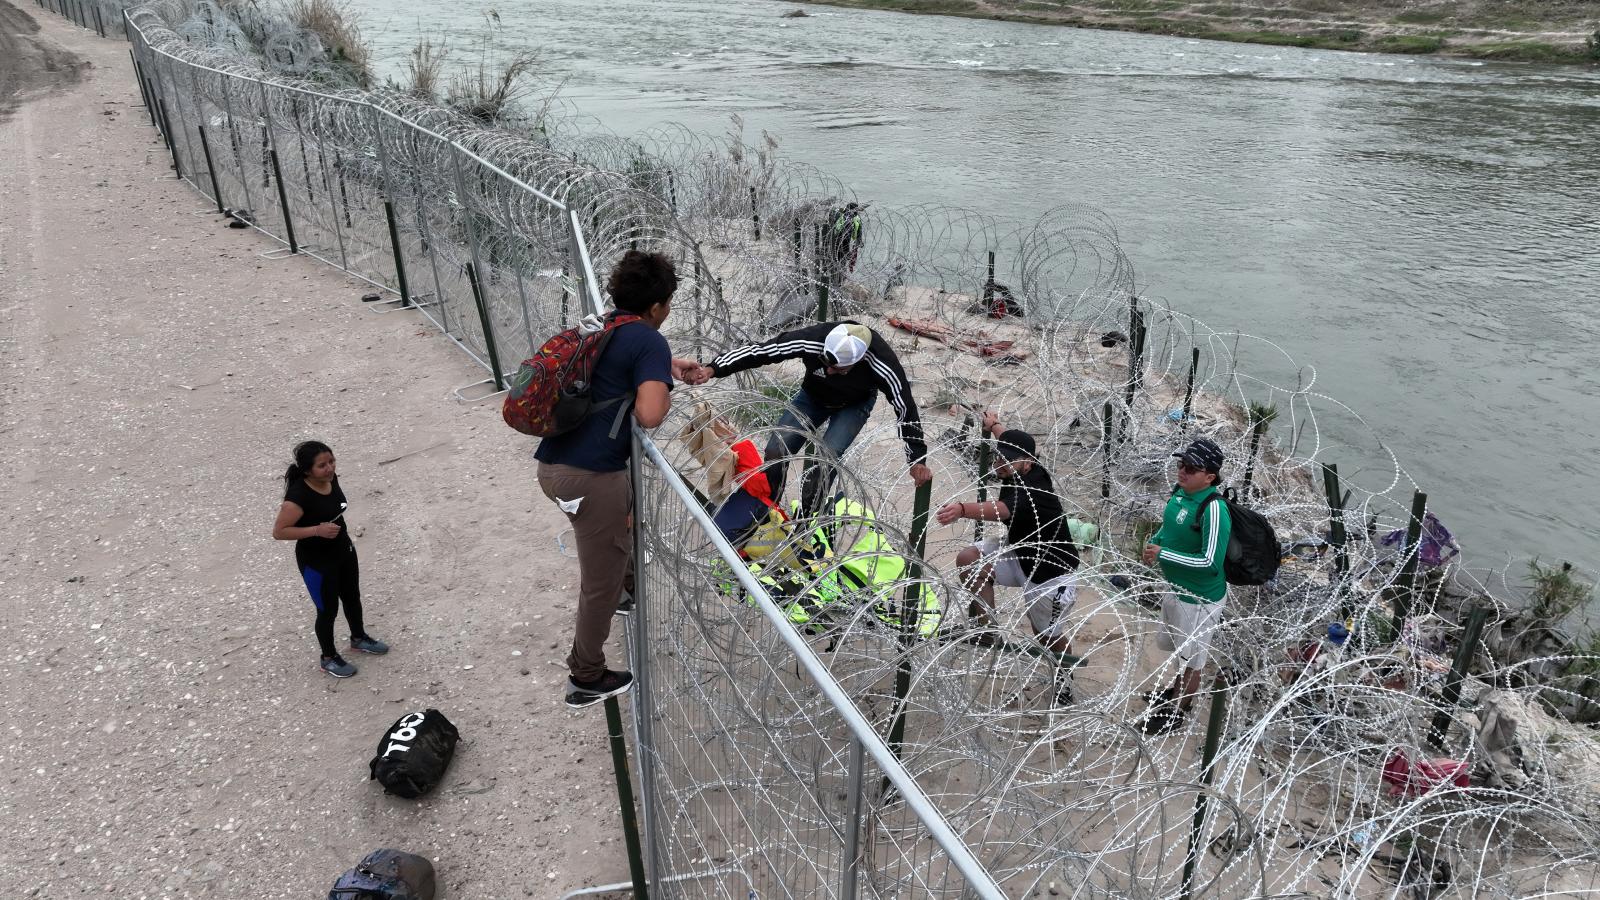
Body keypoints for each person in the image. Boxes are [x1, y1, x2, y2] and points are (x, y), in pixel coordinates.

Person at [535, 250, 701, 709]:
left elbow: (614, 370)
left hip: (554, 464)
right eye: (667, 303)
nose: (667, 312)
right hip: (590, 477)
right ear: (655, 308)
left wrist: (663, 366)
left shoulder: (607, 323)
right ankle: (585, 677)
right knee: (598, 583)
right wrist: (661, 378)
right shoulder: (649, 341)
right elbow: (649, 415)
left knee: (616, 544)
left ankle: (626, 590)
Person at [683, 321, 932, 515]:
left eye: (839, 369)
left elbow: (905, 406)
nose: (830, 371)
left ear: (858, 360)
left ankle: (809, 519)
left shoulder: (881, 363)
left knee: (827, 455)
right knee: (775, 450)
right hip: (812, 397)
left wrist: (916, 458)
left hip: (853, 404)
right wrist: (713, 368)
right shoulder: (812, 339)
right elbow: (763, 351)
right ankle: (768, 508)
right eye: (826, 364)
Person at [935, 415, 1079, 703]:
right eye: (999, 456)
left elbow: (1001, 510)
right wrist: (994, 425)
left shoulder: (1033, 488)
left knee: (1046, 636)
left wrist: (962, 509)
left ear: (1027, 462)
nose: (1000, 463)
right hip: (1020, 554)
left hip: (1050, 573)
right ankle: (988, 630)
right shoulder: (1020, 463)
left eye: (1008, 459)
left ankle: (1065, 678)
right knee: (969, 557)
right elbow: (1007, 438)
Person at [1140, 437, 1233, 735]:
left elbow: (1211, 562)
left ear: (1210, 477)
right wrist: (1157, 542)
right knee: (1179, 649)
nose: (1183, 471)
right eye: (1182, 464)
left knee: (1193, 659)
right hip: (1176, 588)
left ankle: (1178, 711)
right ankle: (1174, 692)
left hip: (1199, 598)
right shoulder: (1180, 493)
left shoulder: (1214, 509)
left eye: (1192, 468)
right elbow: (1169, 528)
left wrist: (1164, 554)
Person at [272, 440, 388, 678]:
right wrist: (316, 530)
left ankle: (358, 638)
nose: (330, 468)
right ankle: (328, 658)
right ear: (307, 470)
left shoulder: (330, 479)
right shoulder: (296, 499)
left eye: (331, 461)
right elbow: (279, 532)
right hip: (317, 563)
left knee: (352, 597)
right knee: (327, 610)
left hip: (344, 552)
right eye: (322, 465)